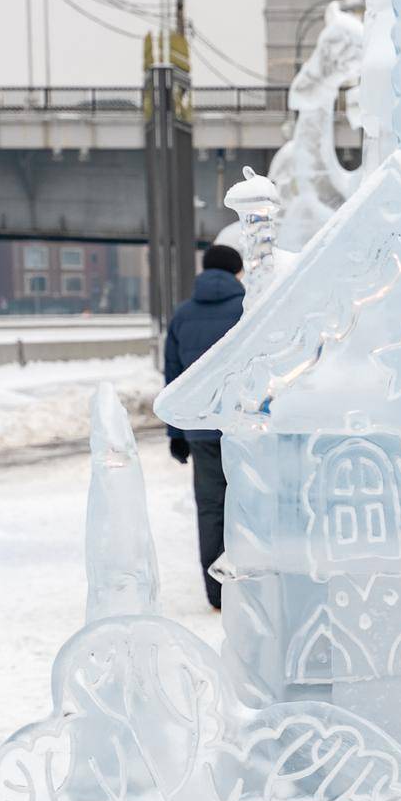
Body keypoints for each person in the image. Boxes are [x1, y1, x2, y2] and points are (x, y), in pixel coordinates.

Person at [163, 244, 245, 610]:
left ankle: (217, 594)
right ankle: (249, 587)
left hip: (199, 429)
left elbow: (173, 379)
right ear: (237, 272)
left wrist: (176, 434)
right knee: (249, 504)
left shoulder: (182, 316)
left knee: (210, 507)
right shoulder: (250, 310)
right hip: (246, 428)